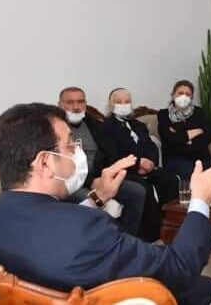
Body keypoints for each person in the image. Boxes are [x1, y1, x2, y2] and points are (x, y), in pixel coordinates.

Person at [0, 103, 211, 305]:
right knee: (205, 287)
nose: (77, 153)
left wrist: (96, 198)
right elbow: (178, 268)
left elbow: (44, 232)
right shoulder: (87, 230)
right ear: (45, 162)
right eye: (69, 146)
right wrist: (200, 199)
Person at [58, 86, 147, 237]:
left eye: (80, 102)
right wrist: (91, 181)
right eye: (70, 102)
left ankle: (126, 239)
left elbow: (109, 155)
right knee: (92, 201)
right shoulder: (54, 128)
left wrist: (107, 175)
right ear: (60, 105)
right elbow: (58, 165)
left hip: (100, 177)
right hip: (71, 182)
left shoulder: (95, 125)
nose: (76, 107)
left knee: (137, 191)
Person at [103, 87, 179, 242]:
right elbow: (112, 156)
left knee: (169, 179)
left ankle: (171, 225)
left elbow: (151, 147)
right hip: (125, 171)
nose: (123, 105)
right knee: (143, 188)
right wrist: (138, 164)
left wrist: (150, 162)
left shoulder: (138, 125)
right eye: (119, 102)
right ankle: (151, 235)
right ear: (111, 105)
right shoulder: (106, 127)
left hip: (147, 168)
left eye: (127, 101)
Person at [158, 80, 211, 180]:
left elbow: (208, 135)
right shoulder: (163, 115)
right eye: (180, 93)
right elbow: (168, 138)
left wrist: (180, 136)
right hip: (175, 157)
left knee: (210, 170)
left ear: (191, 97)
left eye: (187, 94)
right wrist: (193, 132)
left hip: (200, 155)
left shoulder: (199, 112)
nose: (183, 96)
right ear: (173, 95)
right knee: (188, 170)